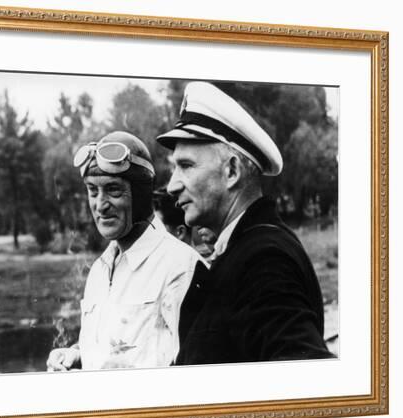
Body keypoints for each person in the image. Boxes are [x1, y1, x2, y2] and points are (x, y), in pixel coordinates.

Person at [157, 81, 334, 364]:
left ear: (231, 171)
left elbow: (305, 370)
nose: (172, 185)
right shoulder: (241, 249)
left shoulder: (265, 260)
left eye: (186, 166)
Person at [46, 131, 204, 371]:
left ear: (140, 196)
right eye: (92, 190)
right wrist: (77, 356)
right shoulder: (99, 270)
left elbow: (196, 371)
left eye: (113, 190)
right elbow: (119, 348)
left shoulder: (181, 266)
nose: (100, 205)